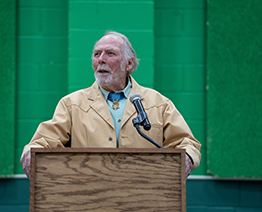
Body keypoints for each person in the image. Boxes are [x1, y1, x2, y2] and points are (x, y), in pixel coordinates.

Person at [20, 31, 202, 179]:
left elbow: (187, 143)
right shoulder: (71, 104)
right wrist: (30, 153)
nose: (101, 59)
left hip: (143, 193)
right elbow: (43, 142)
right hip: (87, 193)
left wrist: (186, 157)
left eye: (110, 53)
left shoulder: (158, 103)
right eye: (96, 54)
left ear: (129, 63)